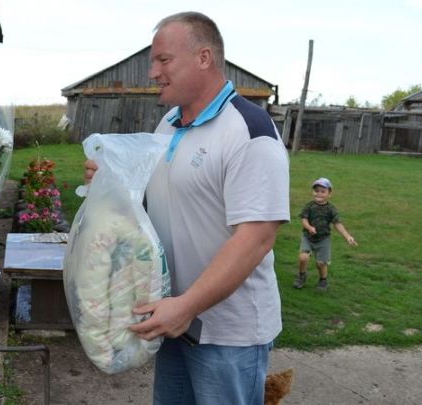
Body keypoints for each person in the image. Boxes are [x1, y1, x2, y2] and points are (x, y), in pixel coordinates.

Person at [84, 11, 290, 404]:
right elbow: (156, 203)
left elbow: (257, 237)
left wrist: (187, 306)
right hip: (171, 318)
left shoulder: (250, 131)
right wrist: (112, 182)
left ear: (204, 58)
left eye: (163, 60)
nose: (152, 72)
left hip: (227, 334)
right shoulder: (169, 125)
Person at [293, 177, 357, 290]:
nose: (319, 194)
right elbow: (304, 219)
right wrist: (309, 227)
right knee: (303, 257)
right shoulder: (309, 206)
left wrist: (348, 236)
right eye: (316, 191)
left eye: (323, 191)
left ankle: (323, 280)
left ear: (329, 193)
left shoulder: (331, 209)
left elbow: (337, 223)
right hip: (308, 237)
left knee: (321, 264)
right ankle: (301, 276)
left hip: (323, 240)